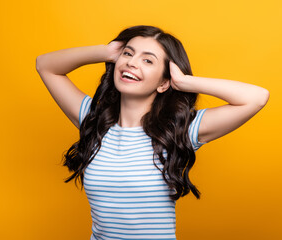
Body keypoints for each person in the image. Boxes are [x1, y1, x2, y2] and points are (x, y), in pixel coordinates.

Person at [36, 25, 269, 240]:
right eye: (128, 54)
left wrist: (185, 82)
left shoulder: (179, 130)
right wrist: (106, 52)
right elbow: (45, 65)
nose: (132, 63)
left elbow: (256, 98)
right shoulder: (93, 119)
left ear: (164, 83)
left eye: (148, 61)